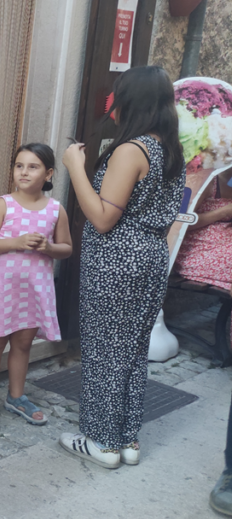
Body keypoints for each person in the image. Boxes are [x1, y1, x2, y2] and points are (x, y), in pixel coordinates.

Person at [60, 65, 186, 469]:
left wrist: (75, 167)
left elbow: (101, 216)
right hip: (149, 255)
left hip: (117, 259)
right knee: (131, 351)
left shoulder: (132, 150)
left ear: (131, 101)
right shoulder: (169, 147)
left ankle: (101, 443)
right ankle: (126, 438)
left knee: (102, 350)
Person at [0, 143, 72, 430]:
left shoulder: (55, 210)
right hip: (0, 286)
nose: (24, 172)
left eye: (33, 166)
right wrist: (15, 242)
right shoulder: (4, 204)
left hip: (34, 288)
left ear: (48, 173)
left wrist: (49, 247)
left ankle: (16, 396)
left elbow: (66, 248)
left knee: (24, 342)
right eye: (19, 165)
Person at [174, 168, 232, 290]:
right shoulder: (206, 180)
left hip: (225, 243)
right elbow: (179, 223)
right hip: (197, 249)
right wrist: (222, 212)